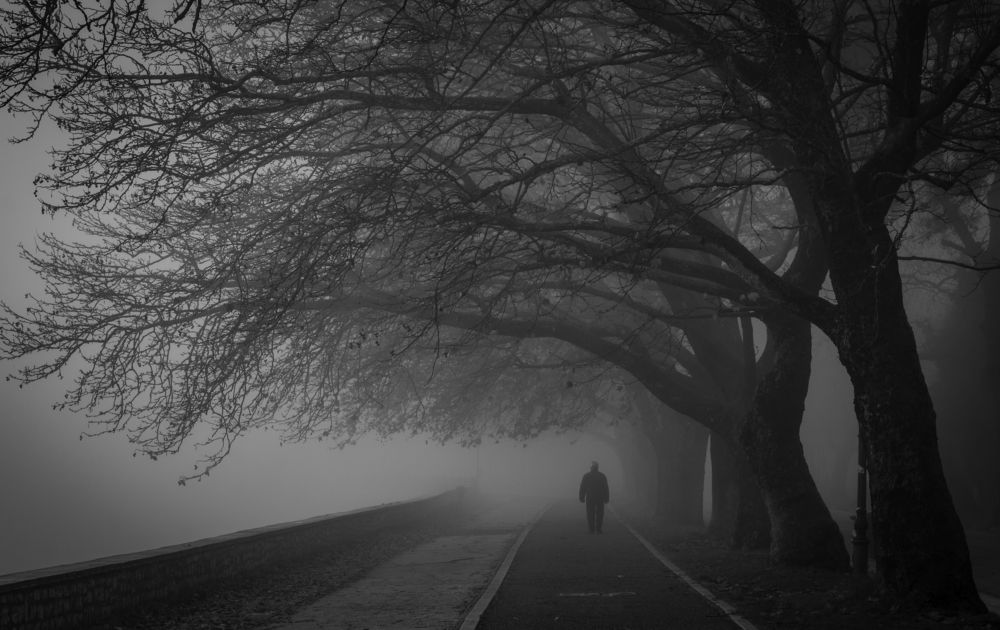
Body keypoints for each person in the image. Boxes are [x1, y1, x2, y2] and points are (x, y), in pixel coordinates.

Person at [578, 460, 610, 534]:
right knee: (600, 513)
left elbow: (583, 487)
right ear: (597, 467)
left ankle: (591, 528)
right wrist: (606, 498)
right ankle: (598, 528)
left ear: (591, 467)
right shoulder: (602, 476)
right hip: (600, 497)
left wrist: (581, 497)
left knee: (590, 513)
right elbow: (605, 488)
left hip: (590, 497)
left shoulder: (586, 476)